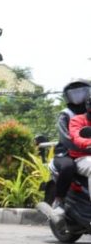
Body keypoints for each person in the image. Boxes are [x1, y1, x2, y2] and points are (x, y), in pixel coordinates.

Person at [48, 80, 91, 220]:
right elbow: (68, 138)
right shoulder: (67, 114)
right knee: (68, 167)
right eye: (75, 93)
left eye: (82, 92)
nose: (79, 96)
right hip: (66, 151)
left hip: (85, 151)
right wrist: (85, 146)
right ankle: (59, 200)